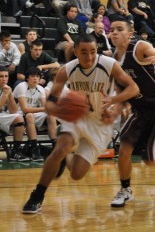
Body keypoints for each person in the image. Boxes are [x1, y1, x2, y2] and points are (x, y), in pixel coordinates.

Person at [22, 33, 139, 214]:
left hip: (100, 125)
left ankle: (64, 160)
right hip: (76, 118)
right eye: (84, 52)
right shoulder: (66, 70)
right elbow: (50, 105)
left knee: (76, 174)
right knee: (60, 148)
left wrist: (113, 101)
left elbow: (133, 88)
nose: (89, 57)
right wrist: (65, 110)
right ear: (75, 51)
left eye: (93, 51)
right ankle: (37, 196)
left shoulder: (109, 65)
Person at [109, 19, 155, 208]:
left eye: (119, 29)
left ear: (130, 34)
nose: (114, 33)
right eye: (112, 29)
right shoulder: (115, 60)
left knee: (150, 161)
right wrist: (114, 109)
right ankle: (125, 190)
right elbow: (120, 92)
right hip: (141, 108)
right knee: (124, 148)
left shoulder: (139, 47)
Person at [13, 67, 57, 162]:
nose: (35, 79)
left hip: (34, 113)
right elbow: (24, 109)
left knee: (51, 116)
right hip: (18, 114)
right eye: (32, 76)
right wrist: (45, 108)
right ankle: (34, 149)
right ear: (27, 78)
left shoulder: (40, 88)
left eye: (37, 76)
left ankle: (55, 145)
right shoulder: (22, 86)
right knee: (29, 115)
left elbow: (45, 107)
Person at [0, 66, 29, 161]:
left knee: (19, 118)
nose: (4, 79)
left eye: (6, 76)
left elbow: (13, 111)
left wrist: (10, 94)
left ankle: (16, 151)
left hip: (2, 115)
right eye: (1, 76)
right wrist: (4, 95)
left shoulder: (7, 89)